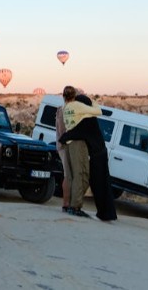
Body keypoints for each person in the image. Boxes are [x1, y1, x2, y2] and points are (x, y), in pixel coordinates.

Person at [61, 94, 118, 221]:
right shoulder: (87, 117)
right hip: (99, 153)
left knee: (96, 183)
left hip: (98, 155)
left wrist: (64, 137)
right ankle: (105, 213)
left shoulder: (87, 119)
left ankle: (103, 213)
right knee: (99, 184)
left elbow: (77, 132)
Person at [60, 86, 98, 217]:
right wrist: (93, 101)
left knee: (70, 175)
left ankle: (69, 204)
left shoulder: (65, 108)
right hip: (78, 143)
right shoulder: (77, 106)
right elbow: (98, 111)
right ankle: (75, 206)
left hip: (69, 143)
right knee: (81, 174)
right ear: (74, 96)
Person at [53, 98, 72, 213]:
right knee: (67, 175)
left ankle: (67, 203)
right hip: (64, 146)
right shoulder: (63, 111)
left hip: (64, 145)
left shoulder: (63, 110)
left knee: (68, 175)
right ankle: (65, 203)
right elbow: (62, 131)